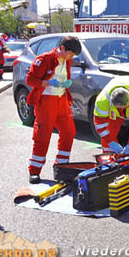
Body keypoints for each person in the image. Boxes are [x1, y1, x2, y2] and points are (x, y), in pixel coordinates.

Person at [26, 36, 81, 183]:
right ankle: (35, 171)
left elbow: (63, 78)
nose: (71, 57)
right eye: (70, 54)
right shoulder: (44, 59)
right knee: (42, 136)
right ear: (62, 48)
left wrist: (65, 84)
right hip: (46, 101)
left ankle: (62, 167)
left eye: (73, 56)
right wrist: (48, 82)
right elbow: (30, 79)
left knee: (69, 133)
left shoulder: (66, 60)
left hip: (61, 99)